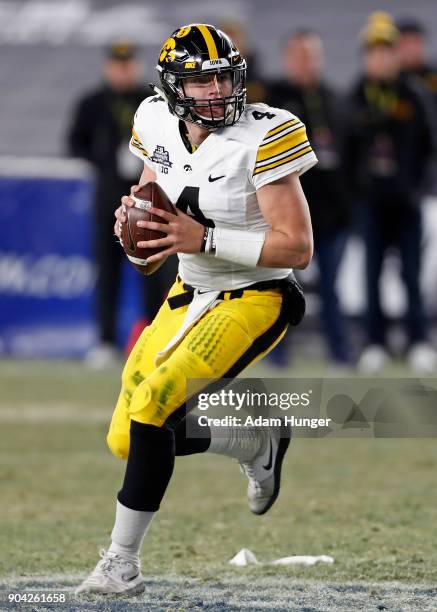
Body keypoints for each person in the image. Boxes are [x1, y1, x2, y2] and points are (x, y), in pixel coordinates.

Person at [75, 24, 316, 596]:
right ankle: (254, 439)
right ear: (171, 87)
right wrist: (135, 229)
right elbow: (151, 202)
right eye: (200, 79)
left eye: (223, 76)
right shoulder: (155, 120)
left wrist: (203, 239)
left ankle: (120, 564)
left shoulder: (266, 134)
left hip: (258, 295)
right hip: (189, 291)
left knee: (155, 406)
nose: (215, 89)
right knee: (128, 439)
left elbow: (298, 248)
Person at [67, 41, 176, 368]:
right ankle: (105, 341)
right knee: (108, 270)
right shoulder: (93, 102)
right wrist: (101, 159)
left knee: (152, 272)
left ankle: (153, 337)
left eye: (128, 64)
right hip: (108, 198)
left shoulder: (154, 102)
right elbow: (75, 142)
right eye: (118, 64)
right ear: (108, 67)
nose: (123, 70)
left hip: (150, 199)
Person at [348, 13, 436, 373]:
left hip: (406, 203)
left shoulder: (415, 94)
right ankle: (374, 343)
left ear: (396, 54)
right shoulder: (355, 95)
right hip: (371, 204)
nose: (381, 58)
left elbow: (430, 146)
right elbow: (347, 149)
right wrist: (356, 194)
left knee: (412, 276)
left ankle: (418, 341)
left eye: (387, 50)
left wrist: (417, 190)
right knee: (370, 276)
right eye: (374, 51)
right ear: (366, 55)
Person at [267, 29, 352, 366]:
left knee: (331, 289)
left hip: (330, 215)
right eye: (298, 56)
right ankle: (276, 354)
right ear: (288, 59)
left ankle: (340, 353)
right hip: (286, 215)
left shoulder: (336, 100)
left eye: (310, 56)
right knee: (280, 287)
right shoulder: (272, 101)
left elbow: (351, 153)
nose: (304, 63)